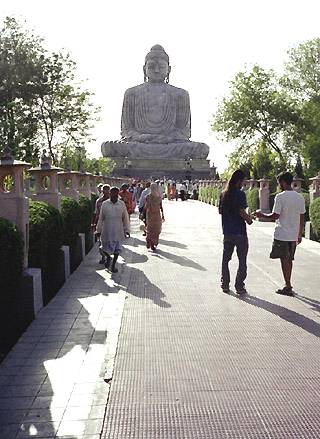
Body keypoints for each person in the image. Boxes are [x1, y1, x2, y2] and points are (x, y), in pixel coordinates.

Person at [256, 171, 306, 296]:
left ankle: (288, 285)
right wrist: (299, 234)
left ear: (283, 182)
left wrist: (262, 215)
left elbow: (275, 215)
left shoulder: (280, 197)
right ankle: (288, 283)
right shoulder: (299, 197)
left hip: (282, 234)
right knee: (289, 259)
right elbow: (302, 217)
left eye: (279, 183)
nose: (278, 185)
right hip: (293, 234)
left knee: (284, 260)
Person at [219, 170, 253, 295]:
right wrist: (249, 220)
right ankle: (239, 285)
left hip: (227, 231)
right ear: (239, 180)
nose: (244, 183)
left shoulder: (223, 194)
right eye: (243, 181)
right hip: (240, 232)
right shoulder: (240, 194)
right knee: (242, 259)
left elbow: (221, 212)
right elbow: (241, 211)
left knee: (225, 259)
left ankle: (225, 284)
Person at [96, 187, 130, 273]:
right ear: (110, 194)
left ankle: (113, 265)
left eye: (116, 193)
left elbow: (125, 217)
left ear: (117, 194)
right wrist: (98, 230)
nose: (114, 195)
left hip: (118, 230)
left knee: (117, 249)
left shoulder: (121, 204)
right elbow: (101, 218)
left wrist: (127, 229)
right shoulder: (104, 204)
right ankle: (108, 257)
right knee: (103, 248)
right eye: (112, 193)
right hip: (106, 229)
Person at [91, 184, 110, 264]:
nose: (106, 193)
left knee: (109, 241)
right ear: (102, 191)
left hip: (111, 223)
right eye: (104, 191)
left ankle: (108, 256)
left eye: (107, 191)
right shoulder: (98, 201)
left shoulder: (114, 201)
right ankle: (103, 256)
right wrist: (93, 223)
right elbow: (96, 213)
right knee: (101, 241)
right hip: (101, 223)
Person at [144, 182, 165, 251]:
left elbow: (161, 206)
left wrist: (163, 215)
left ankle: (152, 242)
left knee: (157, 230)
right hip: (150, 215)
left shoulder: (159, 197)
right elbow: (146, 206)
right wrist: (143, 214)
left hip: (156, 215)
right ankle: (150, 242)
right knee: (151, 229)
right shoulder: (148, 197)